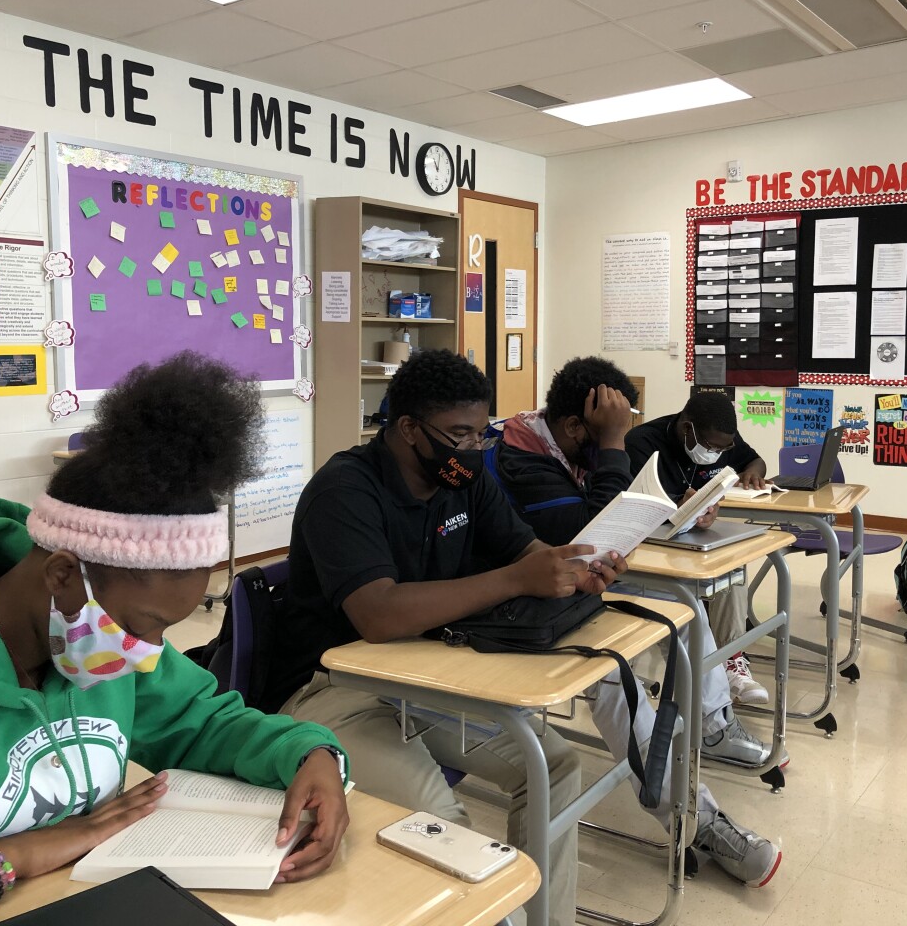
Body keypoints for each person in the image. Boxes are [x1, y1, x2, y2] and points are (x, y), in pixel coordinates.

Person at [0, 353, 350, 925]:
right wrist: (3, 860)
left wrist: (311, 754)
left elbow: (204, 722)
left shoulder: (95, 641)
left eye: (166, 629)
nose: (148, 655)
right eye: (142, 627)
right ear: (63, 574)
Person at [265, 349, 629, 926]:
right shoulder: (345, 489)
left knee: (553, 766)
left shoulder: (463, 479)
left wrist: (574, 572)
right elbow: (378, 615)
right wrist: (517, 578)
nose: (474, 448)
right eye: (459, 435)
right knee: (446, 825)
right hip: (332, 691)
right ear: (409, 428)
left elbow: (528, 552)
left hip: (423, 676)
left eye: (481, 433)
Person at [490, 356, 782, 887]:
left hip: (574, 585)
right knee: (615, 678)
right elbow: (590, 537)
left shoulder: (561, 446)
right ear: (577, 427)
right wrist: (613, 444)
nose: (619, 439)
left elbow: (602, 537)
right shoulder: (522, 458)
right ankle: (695, 820)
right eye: (610, 430)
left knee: (683, 607)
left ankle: (714, 723)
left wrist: (677, 510)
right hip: (523, 609)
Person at [625, 391, 772, 708]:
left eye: (723, 449)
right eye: (711, 447)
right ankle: (709, 673)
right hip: (648, 543)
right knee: (696, 590)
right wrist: (681, 506)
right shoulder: (642, 442)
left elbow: (754, 459)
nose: (716, 453)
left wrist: (752, 473)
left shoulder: (721, 437)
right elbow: (639, 504)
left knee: (732, 561)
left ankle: (731, 659)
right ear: (686, 428)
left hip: (691, 537)